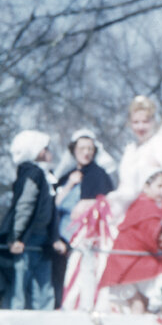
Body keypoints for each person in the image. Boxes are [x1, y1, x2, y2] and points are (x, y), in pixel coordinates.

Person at [0, 130, 57, 310]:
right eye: (46, 148)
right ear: (38, 151)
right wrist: (15, 236)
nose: (50, 152)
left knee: (42, 286)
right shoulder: (33, 174)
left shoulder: (45, 174)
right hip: (28, 238)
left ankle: (44, 320)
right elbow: (25, 205)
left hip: (42, 239)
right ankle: (16, 319)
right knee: (20, 283)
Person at [53, 129, 114, 306]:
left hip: (84, 238)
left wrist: (87, 204)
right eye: (82, 148)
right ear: (73, 150)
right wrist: (70, 184)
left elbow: (105, 202)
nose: (86, 153)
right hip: (60, 237)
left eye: (90, 149)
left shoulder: (98, 174)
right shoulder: (65, 176)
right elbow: (53, 205)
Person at [96, 170, 162, 313]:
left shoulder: (139, 204)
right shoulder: (149, 207)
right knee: (151, 299)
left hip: (123, 261)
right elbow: (151, 236)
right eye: (160, 186)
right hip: (134, 261)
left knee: (137, 303)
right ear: (146, 187)